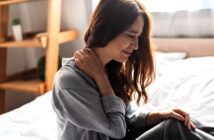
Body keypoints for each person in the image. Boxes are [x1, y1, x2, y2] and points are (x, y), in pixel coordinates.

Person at [52, 0, 214, 140]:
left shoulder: (111, 69)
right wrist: (101, 79)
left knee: (181, 121)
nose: (136, 46)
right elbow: (117, 129)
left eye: (138, 37)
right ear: (107, 29)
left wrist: (161, 115)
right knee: (172, 128)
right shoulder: (69, 81)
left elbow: (126, 118)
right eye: (131, 35)